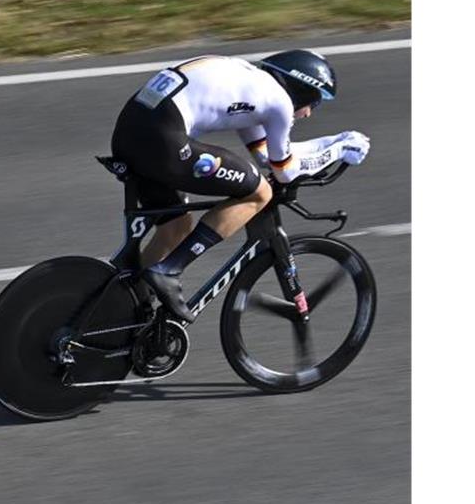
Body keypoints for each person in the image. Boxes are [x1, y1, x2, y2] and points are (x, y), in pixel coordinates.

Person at [109, 49, 371, 321]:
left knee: (176, 227)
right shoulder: (278, 101)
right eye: (314, 103)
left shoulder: (251, 87)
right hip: (163, 139)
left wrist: (334, 141)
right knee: (259, 193)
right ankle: (168, 270)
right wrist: (339, 149)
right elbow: (285, 172)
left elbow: (268, 157)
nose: (307, 114)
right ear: (302, 89)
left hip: (133, 132)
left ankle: (126, 302)